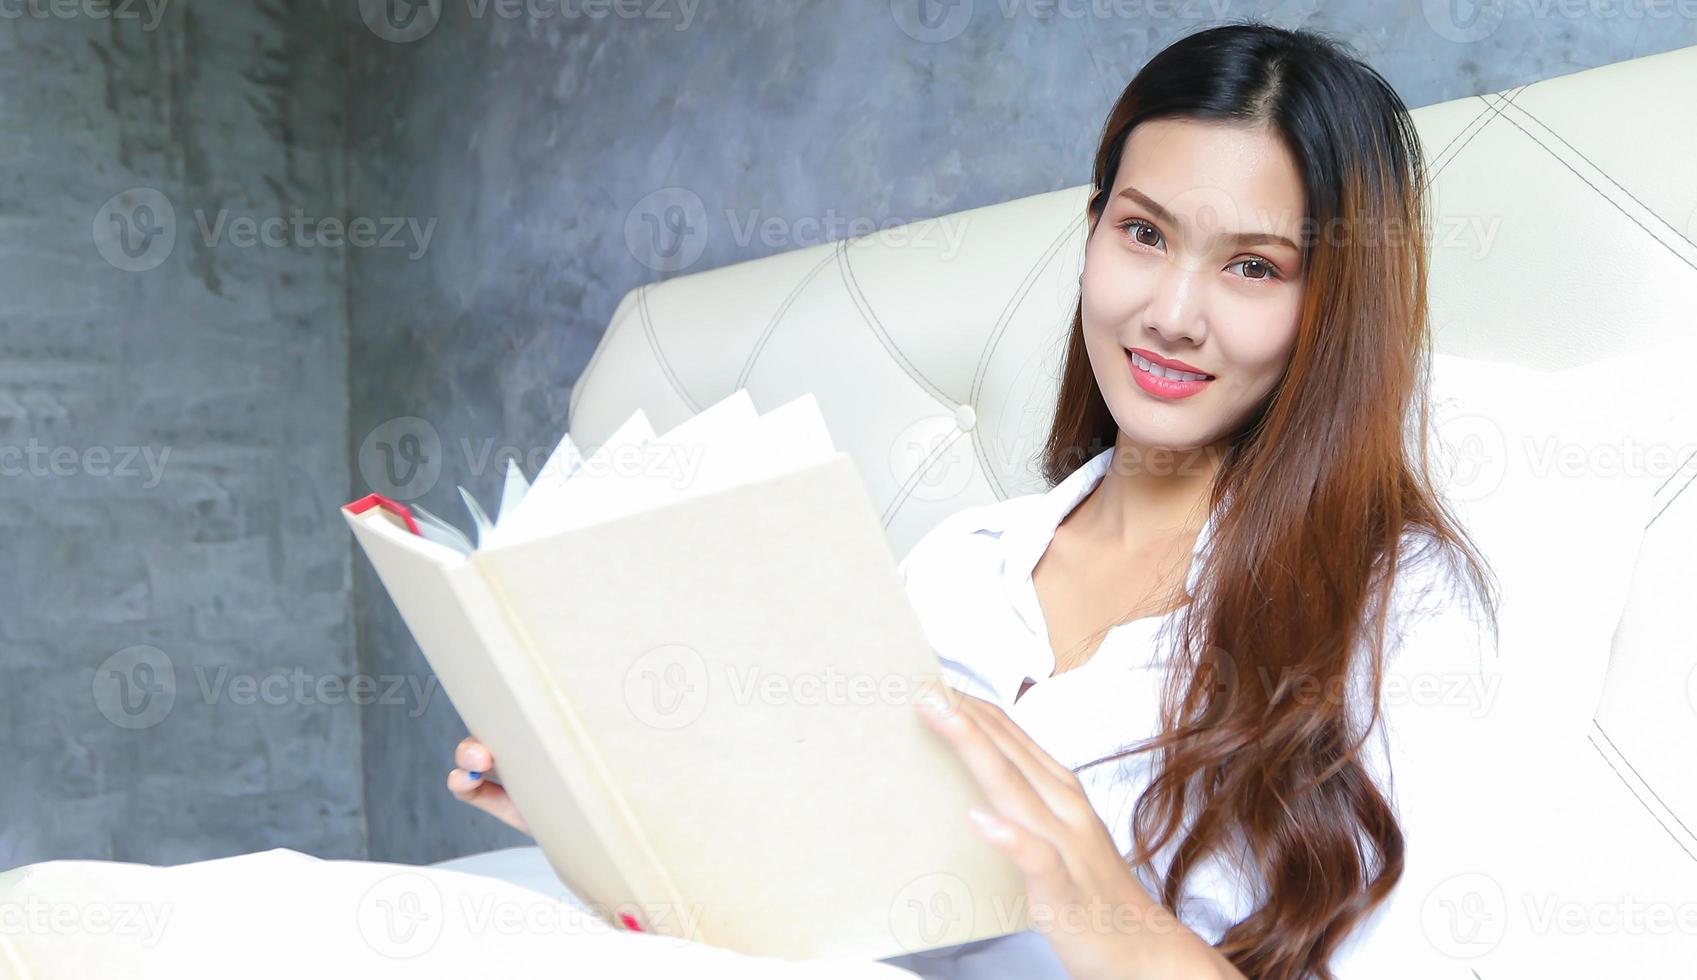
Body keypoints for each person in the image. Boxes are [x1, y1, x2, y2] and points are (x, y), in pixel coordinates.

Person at [448, 21, 1499, 979]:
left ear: (1332, 304)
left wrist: (1105, 904)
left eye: (1252, 267)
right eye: (1142, 234)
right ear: (1092, 232)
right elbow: (814, 898)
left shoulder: (1395, 600)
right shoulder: (961, 561)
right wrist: (599, 811)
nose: (1171, 313)